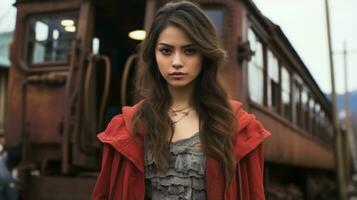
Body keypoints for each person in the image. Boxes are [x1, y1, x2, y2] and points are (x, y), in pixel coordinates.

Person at [92, 1, 270, 199]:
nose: (177, 62)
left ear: (205, 55)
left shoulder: (240, 129)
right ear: (154, 54)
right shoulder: (124, 128)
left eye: (189, 51)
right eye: (166, 51)